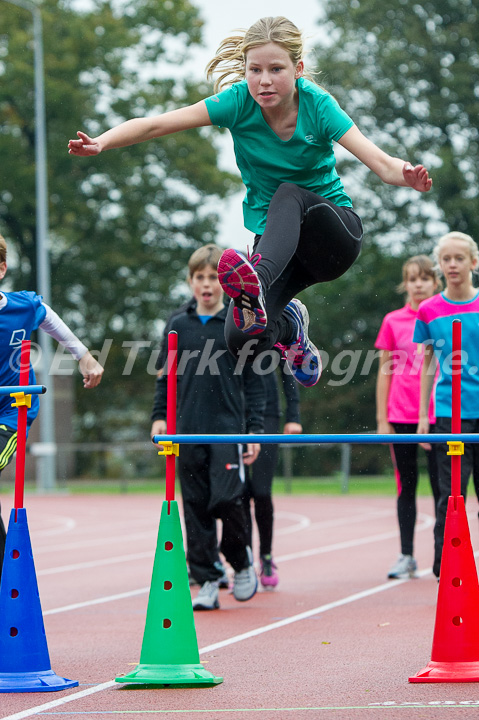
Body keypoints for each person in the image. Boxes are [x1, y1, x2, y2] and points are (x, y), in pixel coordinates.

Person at [68, 16, 432, 389]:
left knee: (288, 193)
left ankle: (254, 279)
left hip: (334, 237)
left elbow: (382, 164)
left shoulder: (318, 105)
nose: (264, 81)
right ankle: (291, 330)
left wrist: (407, 174)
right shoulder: (238, 102)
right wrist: (102, 141)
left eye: (276, 69)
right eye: (254, 70)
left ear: (298, 69)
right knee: (240, 340)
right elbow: (156, 124)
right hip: (281, 247)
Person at [150, 244, 265, 611]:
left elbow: (255, 382)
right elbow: (163, 377)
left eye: (214, 277)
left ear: (226, 282)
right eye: (200, 277)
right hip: (186, 430)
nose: (207, 284)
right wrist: (159, 416)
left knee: (227, 500)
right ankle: (207, 577)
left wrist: (255, 428)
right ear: (190, 281)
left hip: (228, 430)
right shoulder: (176, 324)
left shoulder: (238, 323)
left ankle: (242, 561)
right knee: (195, 506)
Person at [0, 233, 104, 582]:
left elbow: (50, 320)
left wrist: (84, 356)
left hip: (11, 413)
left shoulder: (22, 307)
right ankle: (6, 575)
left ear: (1, 270)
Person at [414, 231, 479, 578]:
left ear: (473, 262)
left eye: (459, 258)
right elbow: (426, 366)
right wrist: (424, 415)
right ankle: (444, 568)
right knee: (451, 496)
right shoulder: (429, 310)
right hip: (450, 417)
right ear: (440, 266)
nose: (452, 265)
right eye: (446, 259)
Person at [375, 255, 441, 580]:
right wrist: (381, 419)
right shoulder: (393, 321)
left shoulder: (442, 317)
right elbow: (384, 372)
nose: (418, 284)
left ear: (435, 282)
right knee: (407, 486)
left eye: (424, 278)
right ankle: (406, 555)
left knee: (443, 487)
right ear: (406, 283)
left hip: (435, 414)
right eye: (412, 279)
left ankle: (442, 556)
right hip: (399, 415)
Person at [243, 357, 302, 588]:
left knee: (261, 491)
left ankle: (265, 555)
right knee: (237, 494)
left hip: (267, 413)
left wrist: (293, 415)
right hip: (234, 411)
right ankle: (244, 560)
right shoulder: (226, 324)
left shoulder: (272, 327)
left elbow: (288, 371)